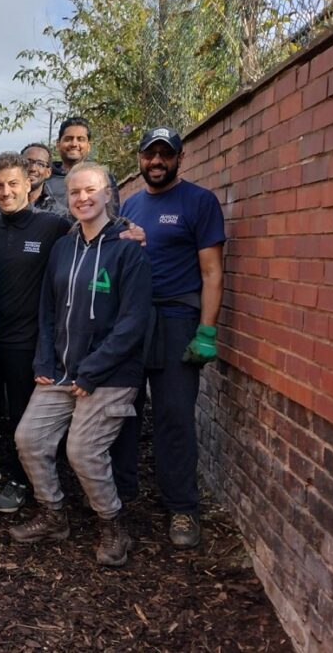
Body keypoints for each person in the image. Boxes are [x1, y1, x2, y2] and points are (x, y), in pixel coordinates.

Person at [9, 161, 152, 567]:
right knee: (29, 439)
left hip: (109, 375)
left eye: (91, 190)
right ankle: (53, 515)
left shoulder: (128, 249)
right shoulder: (62, 248)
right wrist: (45, 361)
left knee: (83, 450)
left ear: (108, 193)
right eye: (74, 192)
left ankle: (113, 525)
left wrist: (91, 371)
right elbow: (47, 311)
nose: (82, 198)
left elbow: (133, 324)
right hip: (63, 371)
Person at [112, 127, 225, 548]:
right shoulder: (132, 203)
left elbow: (212, 271)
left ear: (179, 157)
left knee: (174, 415)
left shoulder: (200, 202)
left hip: (178, 318)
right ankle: (121, 496)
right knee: (122, 410)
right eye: (149, 154)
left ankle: (182, 507)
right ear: (140, 158)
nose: (156, 161)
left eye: (165, 154)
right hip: (133, 318)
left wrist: (207, 330)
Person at [0, 153, 72, 512]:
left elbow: (92, 230)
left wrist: (125, 229)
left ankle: (22, 479)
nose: (5, 191)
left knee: (22, 415)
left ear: (29, 183)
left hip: (28, 341)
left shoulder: (52, 226)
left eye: (12, 184)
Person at [42, 117, 120, 215]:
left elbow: (112, 215)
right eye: (68, 139)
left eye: (80, 139)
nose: (74, 144)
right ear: (58, 144)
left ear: (88, 146)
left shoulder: (102, 177)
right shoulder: (45, 178)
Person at [21, 142, 56, 213]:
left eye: (40, 164)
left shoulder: (59, 213)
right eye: (28, 162)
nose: (33, 168)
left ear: (48, 172)